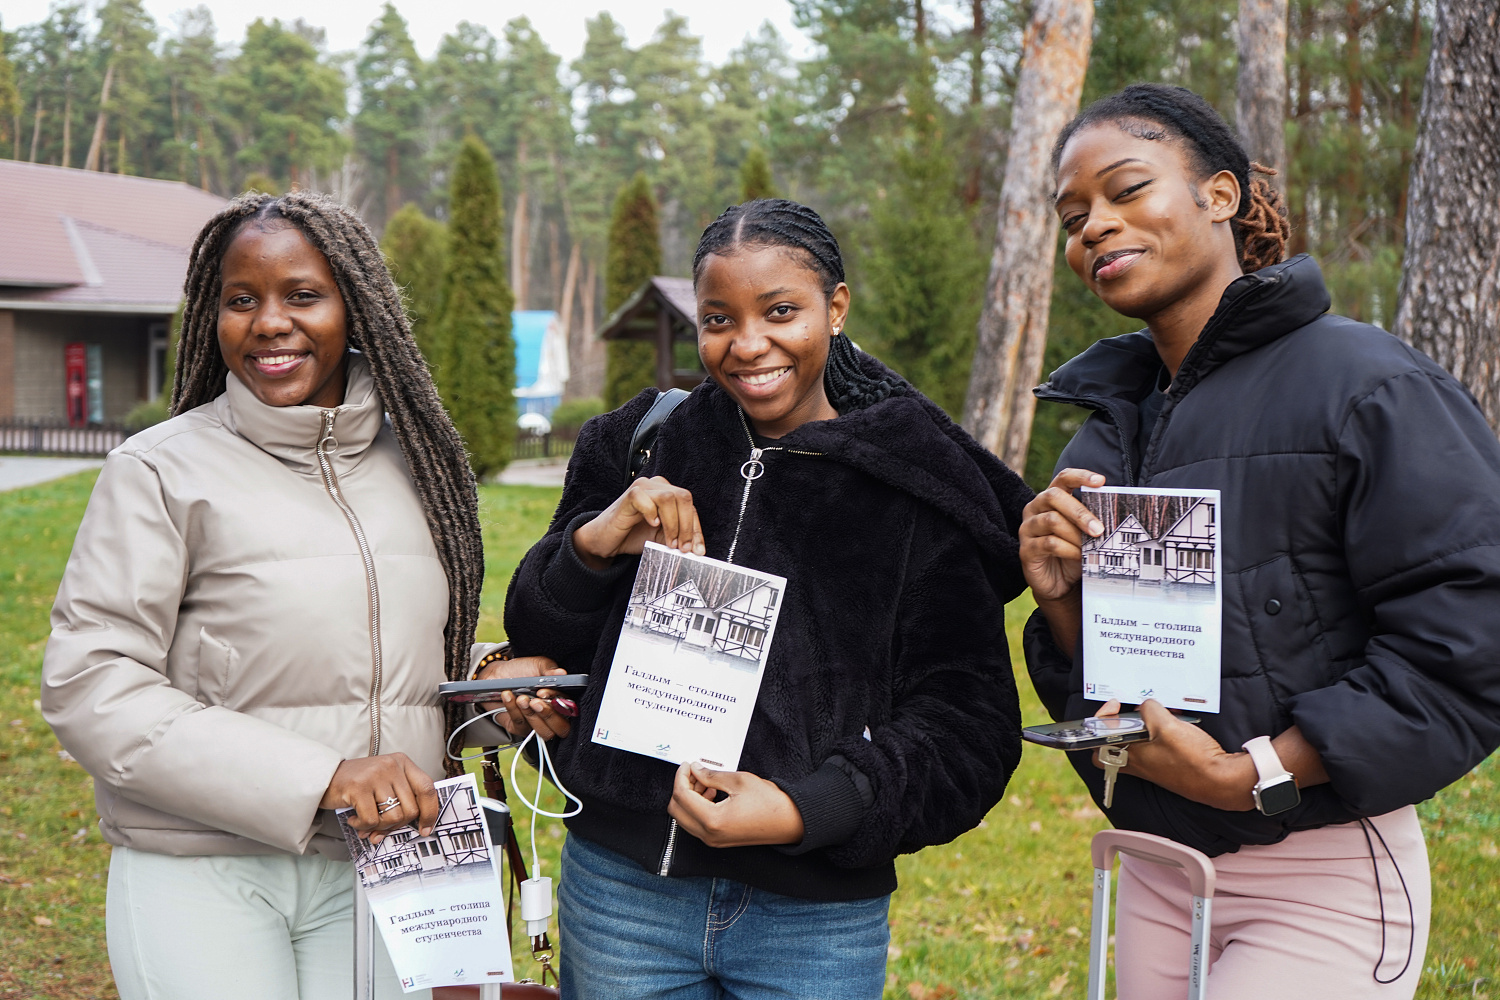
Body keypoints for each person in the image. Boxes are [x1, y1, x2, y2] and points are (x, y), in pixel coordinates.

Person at [1020, 83, 1500, 999]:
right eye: (1074, 216)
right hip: (1158, 876)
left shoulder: (1368, 383)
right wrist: (1061, 598)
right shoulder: (1106, 431)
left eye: (1126, 190)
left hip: (1321, 876)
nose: (1095, 227)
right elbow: (1122, 686)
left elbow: (1471, 637)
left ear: (1221, 196)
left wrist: (1255, 776)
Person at [491, 198, 1033, 1000]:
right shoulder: (642, 440)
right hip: (622, 896)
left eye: (781, 312)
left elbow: (969, 729)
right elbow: (540, 632)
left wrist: (805, 809)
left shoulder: (909, 487)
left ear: (836, 308)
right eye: (718, 319)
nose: (747, 345)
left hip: (812, 922)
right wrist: (594, 542)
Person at [40, 191, 548, 999]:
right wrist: (323, 777)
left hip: (394, 869)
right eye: (241, 301)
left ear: (358, 308)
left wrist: (493, 696)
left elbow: (401, 670)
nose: (270, 321)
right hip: (206, 872)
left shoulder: (419, 466)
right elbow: (90, 686)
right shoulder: (160, 470)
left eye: (302, 295)